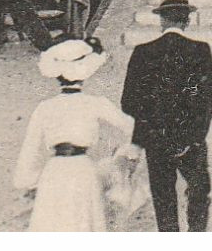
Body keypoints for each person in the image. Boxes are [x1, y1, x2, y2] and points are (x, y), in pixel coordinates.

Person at [13, 37, 137, 231]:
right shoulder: (96, 103)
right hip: (82, 171)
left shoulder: (45, 107)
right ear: (85, 73)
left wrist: (28, 181)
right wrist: (124, 154)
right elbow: (134, 128)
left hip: (53, 173)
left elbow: (30, 148)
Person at [120, 0, 212, 232]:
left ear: (162, 21)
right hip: (190, 139)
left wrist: (153, 125)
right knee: (199, 191)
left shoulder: (142, 52)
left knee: (163, 199)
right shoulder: (200, 50)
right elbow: (208, 102)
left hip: (156, 139)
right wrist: (193, 137)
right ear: (187, 21)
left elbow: (128, 103)